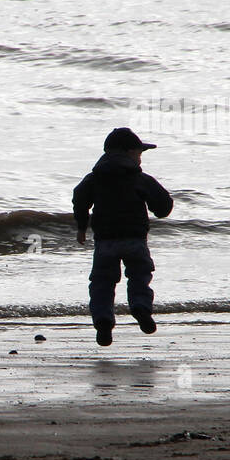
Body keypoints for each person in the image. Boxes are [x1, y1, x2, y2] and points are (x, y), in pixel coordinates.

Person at [72, 127, 174, 346]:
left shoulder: (94, 179)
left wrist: (82, 226)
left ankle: (103, 321)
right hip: (135, 240)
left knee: (102, 283)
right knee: (139, 276)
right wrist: (157, 207)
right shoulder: (139, 178)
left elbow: (79, 198)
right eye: (139, 153)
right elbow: (164, 206)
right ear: (129, 152)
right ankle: (141, 308)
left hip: (105, 242)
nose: (140, 159)